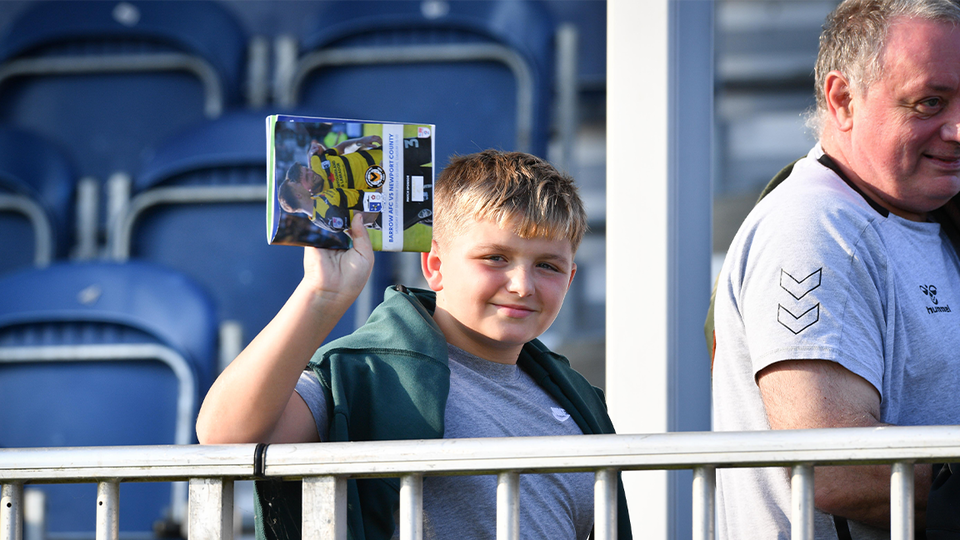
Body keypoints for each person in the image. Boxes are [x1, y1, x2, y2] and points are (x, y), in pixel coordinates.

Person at [197, 149, 633, 540]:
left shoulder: (578, 401)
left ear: (570, 278)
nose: (522, 285)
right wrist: (320, 295)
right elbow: (226, 436)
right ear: (435, 265)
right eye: (495, 258)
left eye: (548, 266)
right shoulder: (370, 372)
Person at [711, 0, 960, 538]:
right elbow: (838, 466)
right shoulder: (816, 227)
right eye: (930, 102)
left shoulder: (925, 216)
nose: (958, 128)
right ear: (843, 99)